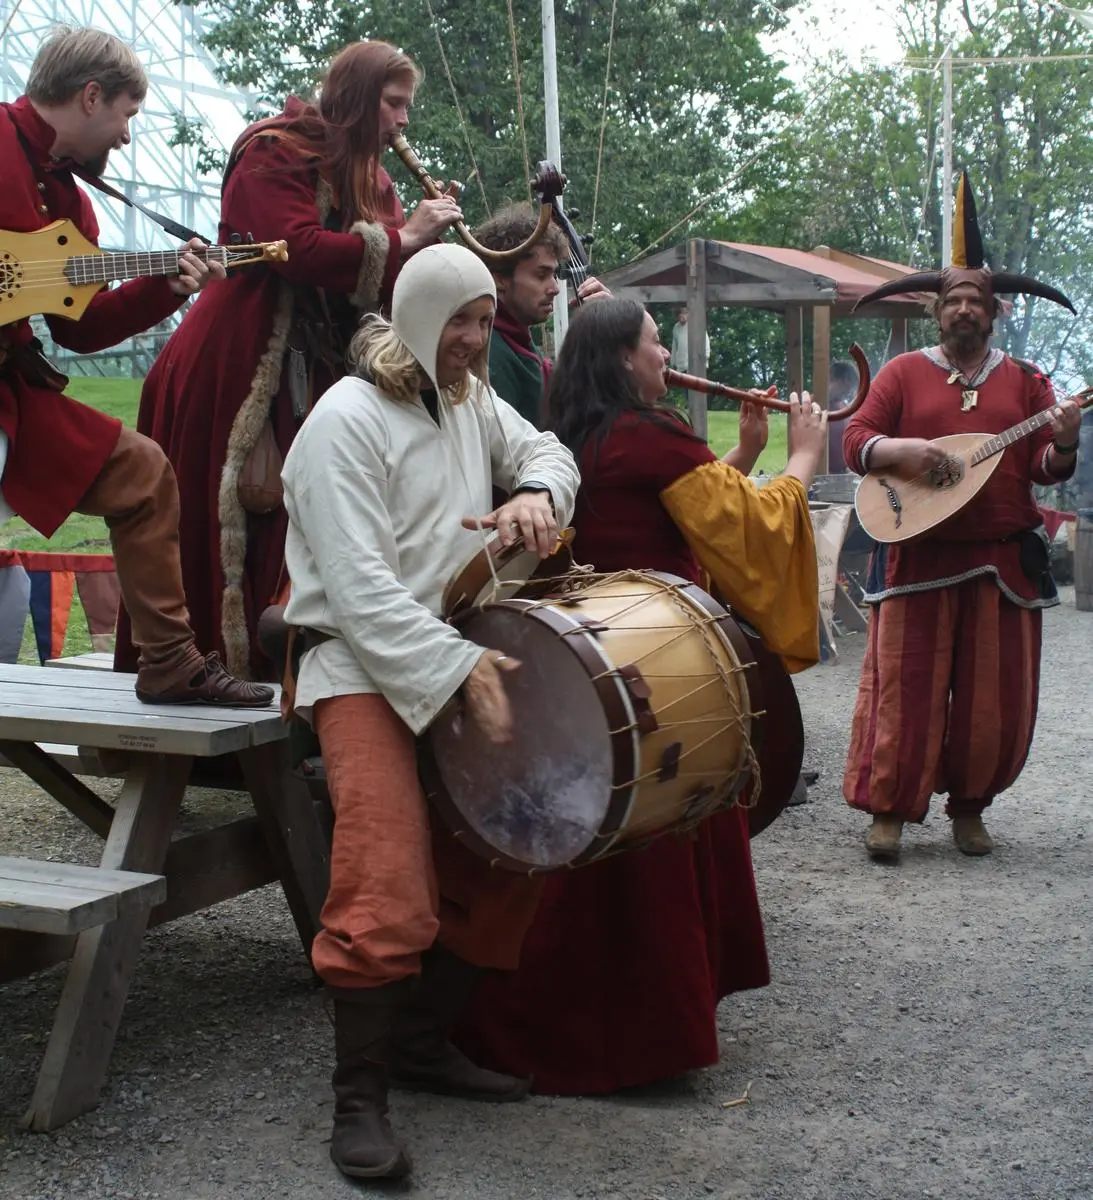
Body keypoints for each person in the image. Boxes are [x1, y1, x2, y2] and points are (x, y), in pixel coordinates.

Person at [454, 297, 828, 1094]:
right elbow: (750, 529)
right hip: (657, 673)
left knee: (585, 841)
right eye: (658, 344)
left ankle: (548, 1015)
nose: (667, 357)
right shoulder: (652, 435)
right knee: (655, 835)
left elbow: (674, 511)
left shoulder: (574, 439)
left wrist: (741, 453)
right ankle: (638, 1038)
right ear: (625, 357)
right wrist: (800, 459)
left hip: (593, 664)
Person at [280, 242, 579, 1178]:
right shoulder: (344, 420)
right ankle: (356, 1100)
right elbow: (362, 595)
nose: (476, 341)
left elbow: (546, 449)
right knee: (381, 880)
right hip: (359, 669)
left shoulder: (466, 400)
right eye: (460, 321)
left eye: (486, 321)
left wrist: (535, 492)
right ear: (416, 317)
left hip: (450, 653)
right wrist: (458, 671)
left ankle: (416, 1043)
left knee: (523, 841)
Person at [115, 40, 465, 681]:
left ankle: (300, 700)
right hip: (238, 361)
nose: (404, 121)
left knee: (310, 518)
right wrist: (404, 237)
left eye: (407, 106)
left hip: (323, 367)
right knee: (235, 514)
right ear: (358, 98)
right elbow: (290, 249)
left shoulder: (376, 179)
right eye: (393, 104)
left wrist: (421, 253)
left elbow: (374, 285)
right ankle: (209, 684)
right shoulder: (275, 149)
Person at [0, 27, 270, 705]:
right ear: (91, 97)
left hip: (10, 385)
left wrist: (168, 286)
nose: (126, 136)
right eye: (126, 114)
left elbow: (81, 329)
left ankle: (171, 662)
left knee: (141, 471)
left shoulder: (72, 203)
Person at [841, 173, 1080, 861]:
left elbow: (1042, 467)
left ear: (994, 312)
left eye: (976, 299)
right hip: (916, 554)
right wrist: (907, 452)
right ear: (935, 310)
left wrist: (1062, 438)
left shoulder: (1028, 382)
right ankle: (888, 810)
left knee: (989, 702)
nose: (964, 310)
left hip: (999, 562)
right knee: (904, 692)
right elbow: (857, 443)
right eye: (953, 299)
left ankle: (969, 809)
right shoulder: (900, 376)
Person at [470, 201, 609, 427]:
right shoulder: (488, 353)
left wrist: (613, 326)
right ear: (499, 279)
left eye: (554, 274)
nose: (554, 287)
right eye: (541, 275)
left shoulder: (519, 345)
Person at [825, 358, 858, 473]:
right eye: (849, 387)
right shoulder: (811, 404)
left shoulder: (844, 408)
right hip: (817, 474)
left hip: (841, 472)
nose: (849, 392)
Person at [670, 304, 711, 374]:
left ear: (689, 314)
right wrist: (673, 362)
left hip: (696, 364)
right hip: (681, 365)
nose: (682, 315)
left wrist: (705, 357)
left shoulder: (696, 324)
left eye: (684, 313)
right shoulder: (676, 327)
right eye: (680, 313)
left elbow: (705, 341)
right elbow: (674, 346)